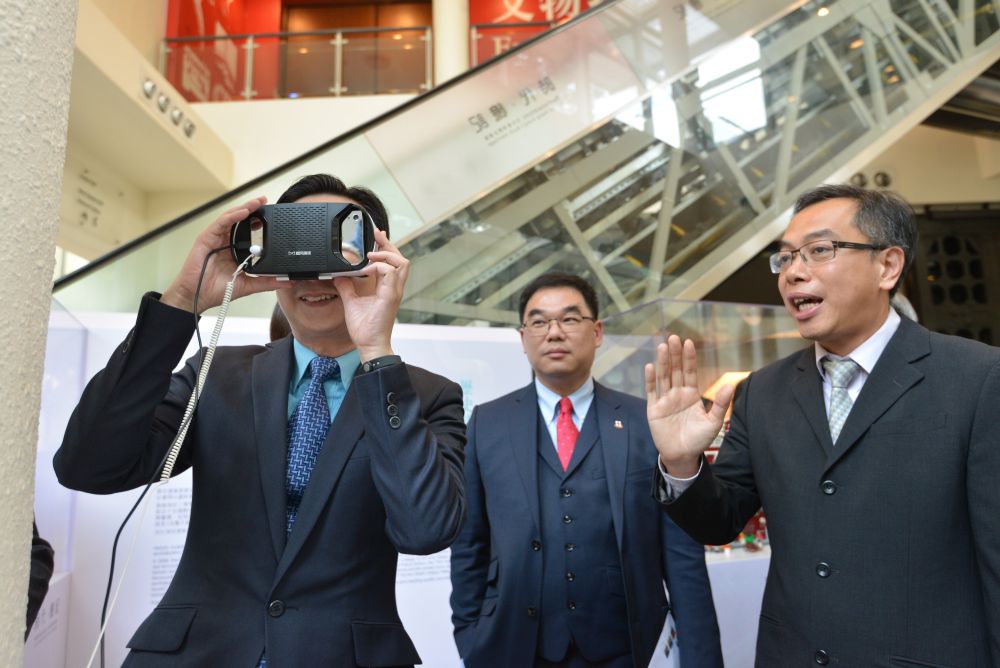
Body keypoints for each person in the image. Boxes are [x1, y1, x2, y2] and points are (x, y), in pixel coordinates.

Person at [54, 174, 467, 667]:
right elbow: (88, 466)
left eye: (336, 250)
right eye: (298, 246)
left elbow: (425, 530)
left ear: (376, 261)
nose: (315, 275)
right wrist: (184, 297)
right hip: (197, 653)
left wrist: (377, 351)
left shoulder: (423, 395)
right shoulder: (218, 373)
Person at [648, 184, 1000, 666]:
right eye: (786, 257)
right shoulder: (762, 391)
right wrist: (681, 460)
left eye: (820, 250)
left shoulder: (977, 378)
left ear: (888, 266)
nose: (794, 271)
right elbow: (720, 521)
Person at [450, 272, 722, 668]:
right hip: (515, 648)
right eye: (539, 322)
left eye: (570, 319)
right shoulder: (487, 423)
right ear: (522, 338)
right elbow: (469, 544)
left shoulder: (644, 421)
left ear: (597, 332)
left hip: (627, 648)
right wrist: (470, 639)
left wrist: (700, 658)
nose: (554, 332)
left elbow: (681, 555)